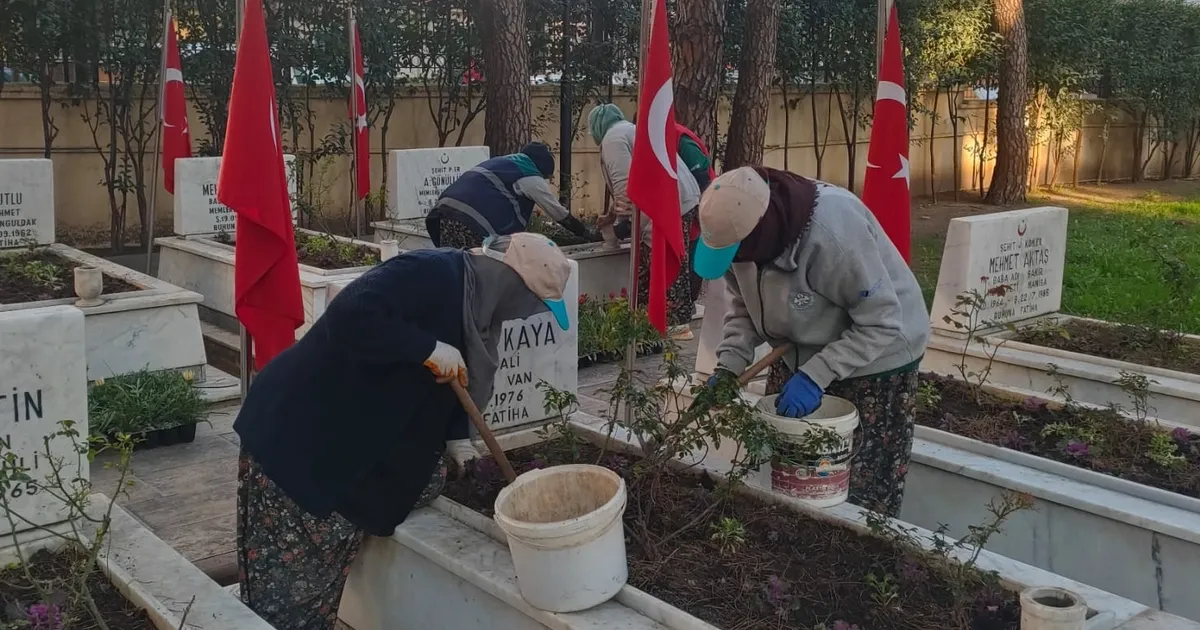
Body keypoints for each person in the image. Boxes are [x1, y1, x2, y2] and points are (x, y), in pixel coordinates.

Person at [232, 233, 573, 630]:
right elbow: (352, 314)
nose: (525, 315)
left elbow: (453, 383)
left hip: (346, 446)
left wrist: (456, 437)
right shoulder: (433, 274)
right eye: (531, 303)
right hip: (302, 441)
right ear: (511, 284)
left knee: (318, 592)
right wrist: (424, 347)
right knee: (286, 603)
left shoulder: (476, 311)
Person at [695, 166, 930, 517]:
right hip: (795, 348)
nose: (736, 263)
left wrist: (815, 375)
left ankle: (856, 547)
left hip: (878, 356)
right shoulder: (739, 242)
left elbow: (881, 321)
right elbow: (744, 305)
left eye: (738, 255)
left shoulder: (834, 233)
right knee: (791, 473)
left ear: (761, 236)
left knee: (856, 487)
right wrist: (729, 366)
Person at [587, 103, 703, 337]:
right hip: (681, 196)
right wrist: (612, 216)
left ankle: (675, 324)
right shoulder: (630, 130)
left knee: (665, 258)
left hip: (667, 203)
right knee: (652, 261)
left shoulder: (612, 139)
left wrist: (622, 224)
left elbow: (624, 185)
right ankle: (645, 318)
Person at [425, 141, 594, 249]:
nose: (546, 182)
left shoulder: (503, 162)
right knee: (476, 273)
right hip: (471, 223)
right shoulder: (530, 176)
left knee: (453, 267)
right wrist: (584, 233)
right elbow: (557, 212)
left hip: (444, 214)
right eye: (547, 178)